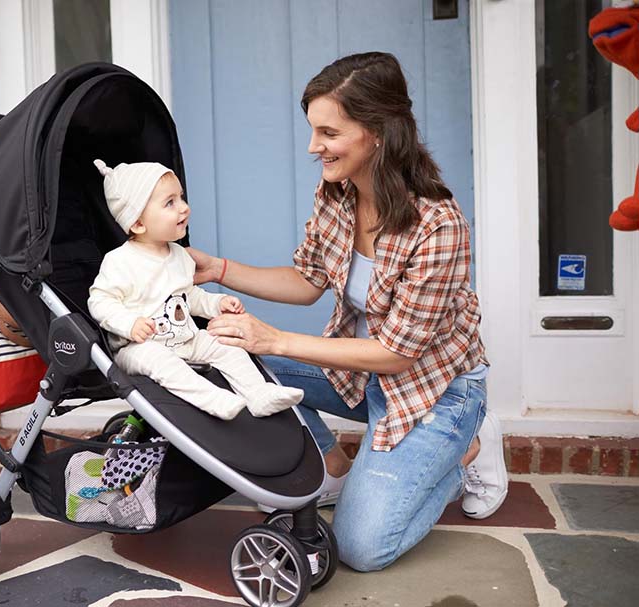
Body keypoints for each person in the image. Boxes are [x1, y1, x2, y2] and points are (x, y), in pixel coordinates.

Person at [188, 52, 508, 571]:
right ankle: (331, 467)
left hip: (433, 392)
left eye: (328, 133)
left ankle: (466, 448)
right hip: (359, 374)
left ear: (377, 132)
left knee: (361, 549)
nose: (315, 147)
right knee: (228, 356)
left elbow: (398, 355)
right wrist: (218, 268)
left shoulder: (439, 226)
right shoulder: (336, 193)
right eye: (313, 130)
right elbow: (309, 280)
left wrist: (273, 338)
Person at [87, 159, 304, 420]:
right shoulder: (121, 262)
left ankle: (258, 394)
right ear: (138, 224)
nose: (184, 208)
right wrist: (129, 323)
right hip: (138, 347)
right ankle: (212, 399)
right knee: (160, 361)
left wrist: (216, 304)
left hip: (186, 339)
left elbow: (188, 298)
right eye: (170, 203)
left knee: (225, 346)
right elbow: (100, 302)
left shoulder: (179, 255)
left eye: (181, 198)